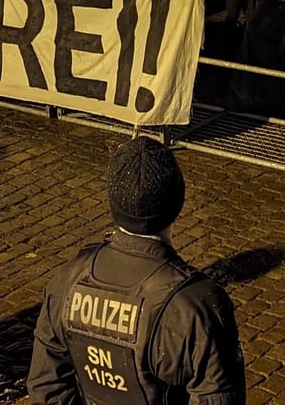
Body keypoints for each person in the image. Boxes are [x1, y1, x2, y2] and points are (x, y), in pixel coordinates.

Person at [30, 137, 245, 403]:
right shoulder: (196, 305)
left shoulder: (68, 280)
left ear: (113, 203)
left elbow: (47, 386)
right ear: (178, 201)